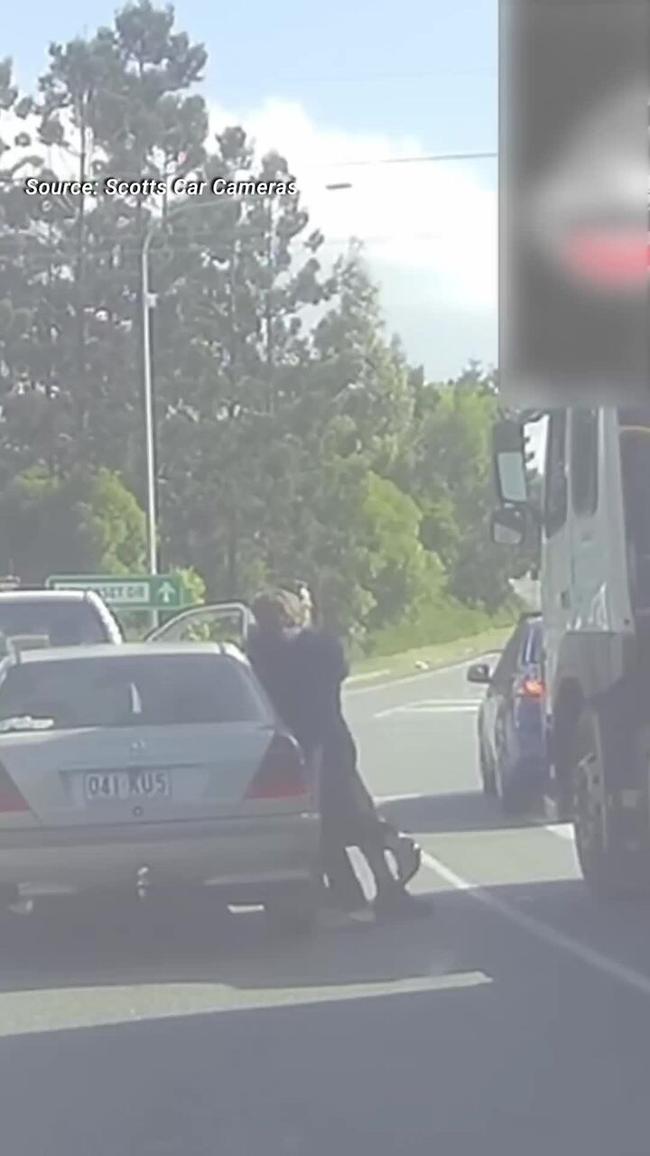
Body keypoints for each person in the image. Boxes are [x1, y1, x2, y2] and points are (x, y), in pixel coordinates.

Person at [246, 588, 430, 921]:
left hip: (288, 746)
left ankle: (348, 895)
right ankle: (387, 881)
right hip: (331, 738)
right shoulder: (321, 647)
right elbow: (336, 671)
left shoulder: (258, 652)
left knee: (320, 828)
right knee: (359, 816)